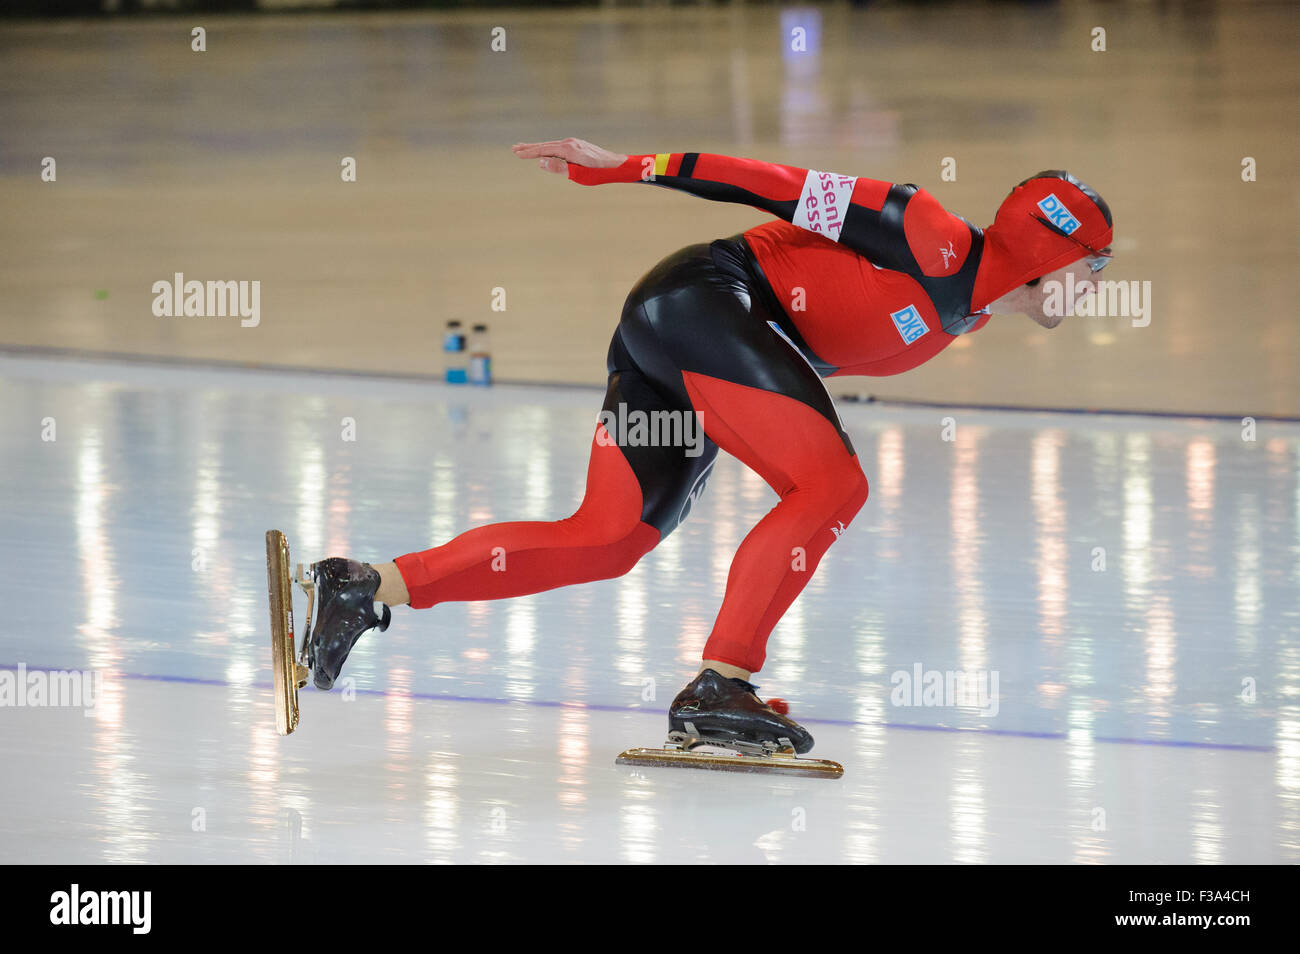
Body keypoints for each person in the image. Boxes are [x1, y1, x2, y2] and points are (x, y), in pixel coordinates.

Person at [302, 138, 1114, 755]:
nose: (1099, 286)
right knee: (833, 485)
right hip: (702, 305)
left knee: (609, 538)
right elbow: (771, 184)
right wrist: (620, 167)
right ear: (1051, 253)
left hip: (678, 340)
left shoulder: (966, 310)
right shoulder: (928, 234)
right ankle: (719, 686)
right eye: (1095, 265)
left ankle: (364, 586)